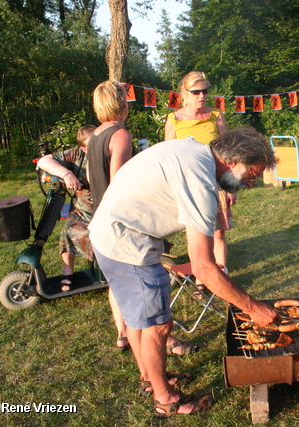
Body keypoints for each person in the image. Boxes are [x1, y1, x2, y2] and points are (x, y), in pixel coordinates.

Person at [88, 128, 280, 417]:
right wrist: (253, 309)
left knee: (140, 322)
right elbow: (203, 265)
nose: (252, 183)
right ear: (234, 160)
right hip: (126, 245)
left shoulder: (195, 150)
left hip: (109, 234)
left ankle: (151, 380)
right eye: (253, 173)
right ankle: (166, 400)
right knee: (158, 326)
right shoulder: (200, 183)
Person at [88, 81, 196, 356]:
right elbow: (121, 180)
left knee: (119, 283)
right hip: (123, 220)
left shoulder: (95, 135)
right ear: (121, 103)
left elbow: (93, 178)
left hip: (100, 213)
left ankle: (123, 334)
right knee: (142, 282)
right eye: (125, 97)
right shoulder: (119, 134)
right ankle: (163, 339)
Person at [164, 71, 232, 268]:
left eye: (205, 91)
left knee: (218, 232)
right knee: (196, 233)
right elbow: (168, 156)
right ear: (185, 93)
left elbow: (226, 154)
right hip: (187, 184)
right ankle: (201, 275)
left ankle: (222, 274)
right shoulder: (174, 119)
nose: (201, 96)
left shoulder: (216, 116)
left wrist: (229, 186)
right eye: (196, 92)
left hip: (214, 181)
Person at [37, 125, 95, 292]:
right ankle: (67, 271)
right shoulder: (76, 154)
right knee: (68, 229)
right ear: (83, 148)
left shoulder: (109, 152)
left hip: (107, 209)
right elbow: (43, 161)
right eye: (93, 144)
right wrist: (66, 174)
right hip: (84, 209)